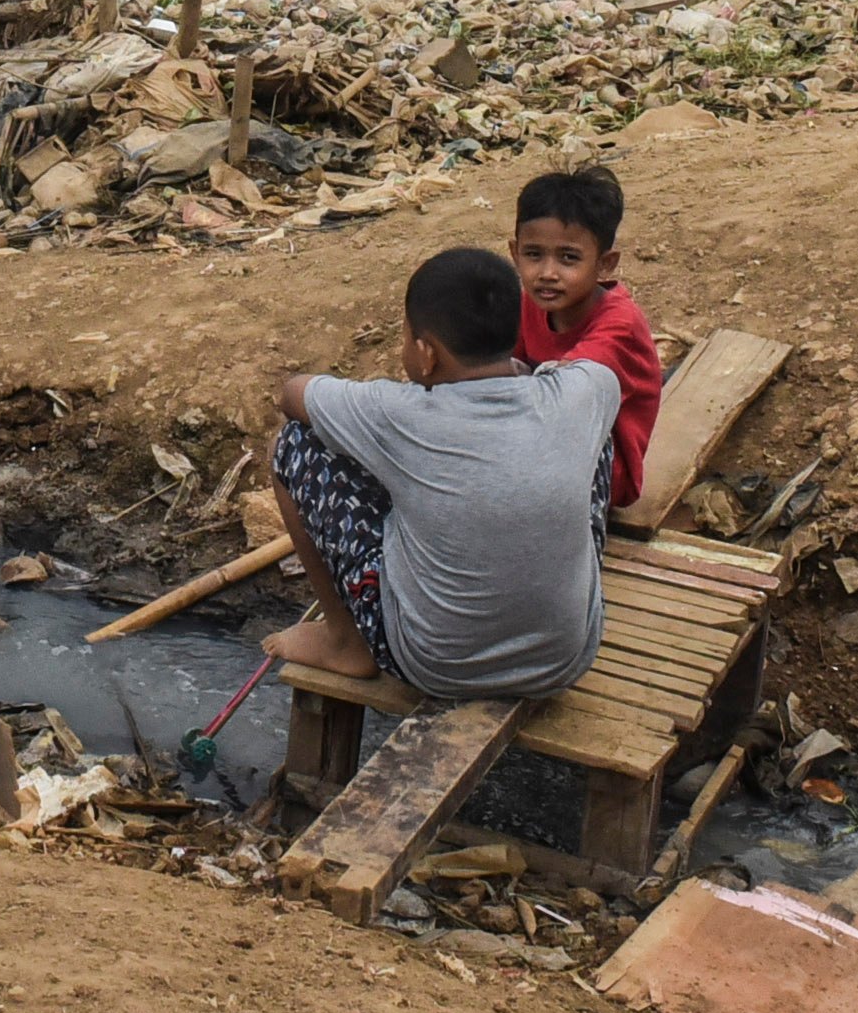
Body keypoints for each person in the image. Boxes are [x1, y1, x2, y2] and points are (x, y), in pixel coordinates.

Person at [261, 246, 617, 701]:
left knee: (295, 443)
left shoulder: (397, 414)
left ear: (426, 353)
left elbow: (292, 394)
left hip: (434, 666)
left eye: (407, 337)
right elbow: (593, 376)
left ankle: (344, 641)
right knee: (591, 432)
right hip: (565, 659)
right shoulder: (581, 392)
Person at [512, 168, 665, 516]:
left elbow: (565, 394)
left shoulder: (618, 324)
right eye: (533, 254)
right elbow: (505, 369)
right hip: (552, 441)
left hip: (604, 470)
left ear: (605, 264)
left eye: (568, 258)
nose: (547, 273)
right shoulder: (529, 305)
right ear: (514, 253)